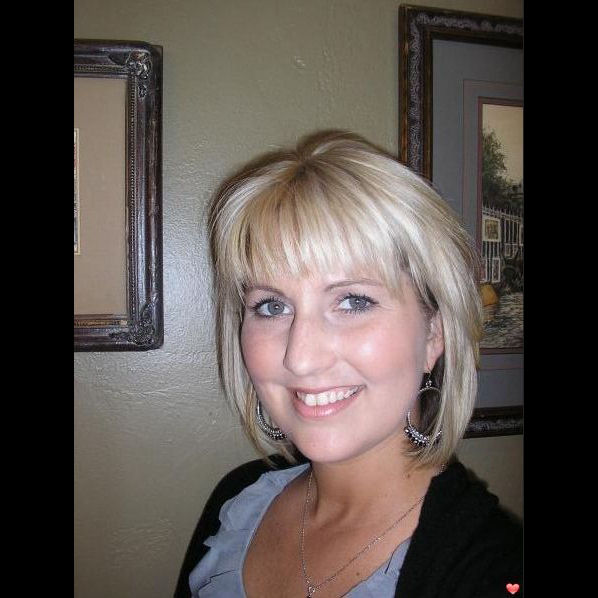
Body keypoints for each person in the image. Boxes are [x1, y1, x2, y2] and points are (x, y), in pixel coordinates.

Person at [175, 131, 523, 598]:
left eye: (354, 301)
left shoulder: (492, 570)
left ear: (434, 334)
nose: (301, 357)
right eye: (272, 306)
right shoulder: (236, 502)